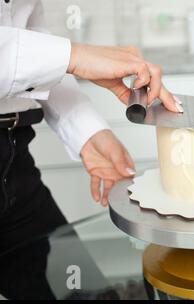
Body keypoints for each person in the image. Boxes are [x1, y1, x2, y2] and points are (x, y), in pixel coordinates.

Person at [0, 0, 182, 254]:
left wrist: (86, 131)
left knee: (77, 289)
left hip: (15, 160)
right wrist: (74, 55)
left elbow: (30, 37)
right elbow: (48, 56)